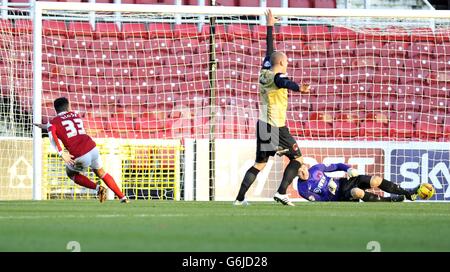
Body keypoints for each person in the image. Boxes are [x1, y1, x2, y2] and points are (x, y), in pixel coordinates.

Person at [234, 9, 310, 206]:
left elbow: (270, 50)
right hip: (276, 126)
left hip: (263, 125)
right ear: (283, 62)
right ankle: (281, 192)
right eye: (286, 63)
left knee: (259, 164)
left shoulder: (264, 71)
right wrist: (299, 88)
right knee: (298, 160)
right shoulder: (277, 77)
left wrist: (270, 26)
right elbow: (284, 82)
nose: (287, 65)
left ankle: (240, 199)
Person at [34, 97, 129, 203]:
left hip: (79, 154)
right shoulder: (75, 115)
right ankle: (123, 197)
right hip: (92, 148)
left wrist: (61, 153)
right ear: (68, 106)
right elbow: (62, 124)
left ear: (55, 109)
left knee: (71, 174)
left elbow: (52, 135)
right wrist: (46, 126)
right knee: (101, 172)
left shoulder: (53, 122)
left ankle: (98, 188)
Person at [296, 163, 418, 202]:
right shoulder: (302, 189)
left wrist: (348, 169)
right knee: (357, 192)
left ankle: (408, 194)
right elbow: (319, 202)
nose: (303, 171)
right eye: (299, 171)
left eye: (303, 168)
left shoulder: (316, 168)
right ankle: (389, 200)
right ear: (296, 174)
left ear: (306, 165)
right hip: (339, 197)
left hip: (344, 182)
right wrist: (330, 193)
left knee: (376, 180)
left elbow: (338, 165)